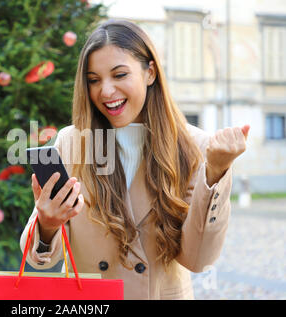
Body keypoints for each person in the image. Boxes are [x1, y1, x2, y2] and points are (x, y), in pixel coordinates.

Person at [20, 19, 250, 299]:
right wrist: (47, 224)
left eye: (119, 75)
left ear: (150, 72)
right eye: (94, 80)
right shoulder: (71, 142)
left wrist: (215, 172)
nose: (105, 91)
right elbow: (38, 258)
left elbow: (198, 260)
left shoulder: (195, 146)